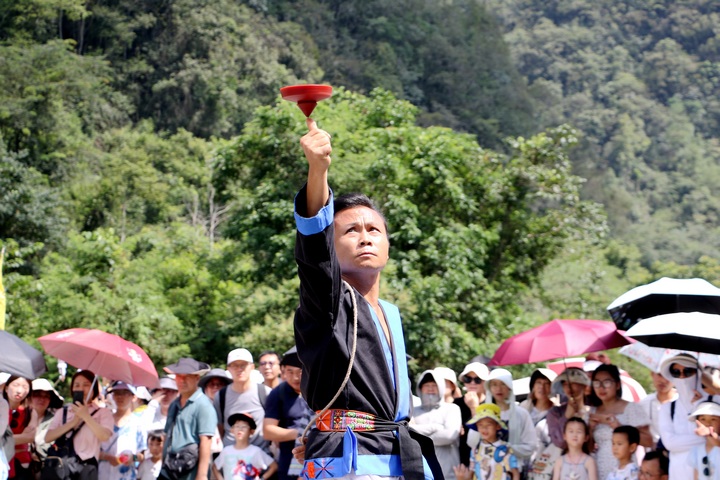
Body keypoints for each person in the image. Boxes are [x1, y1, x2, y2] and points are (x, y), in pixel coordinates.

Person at [293, 117, 441, 480]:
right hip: (350, 462)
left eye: (374, 229)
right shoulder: (328, 302)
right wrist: (318, 171)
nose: (365, 237)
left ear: (388, 246)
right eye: (350, 230)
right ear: (332, 244)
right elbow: (314, 256)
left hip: (397, 456)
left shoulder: (389, 313)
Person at [657, 353, 719, 479]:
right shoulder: (668, 408)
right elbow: (670, 444)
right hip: (678, 473)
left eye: (688, 371)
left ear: (698, 374)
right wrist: (707, 436)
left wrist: (699, 406)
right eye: (676, 372)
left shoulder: (716, 401)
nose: (682, 376)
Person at [45, 370, 114, 480]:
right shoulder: (62, 412)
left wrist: (86, 416)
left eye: (86, 385)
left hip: (87, 468)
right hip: (63, 465)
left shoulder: (103, 413)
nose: (81, 388)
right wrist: (72, 423)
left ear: (94, 389)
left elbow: (104, 436)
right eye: (76, 385)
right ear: (72, 389)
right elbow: (48, 437)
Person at [587, 365, 650, 480]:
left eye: (606, 382)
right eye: (596, 383)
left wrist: (619, 426)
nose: (601, 387)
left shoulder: (631, 408)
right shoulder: (593, 411)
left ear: (617, 385)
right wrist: (590, 429)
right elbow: (590, 448)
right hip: (600, 468)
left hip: (625, 471)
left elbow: (649, 441)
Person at [160, 358, 217, 480]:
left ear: (197, 378)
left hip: (190, 473)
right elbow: (166, 437)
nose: (182, 380)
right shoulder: (174, 404)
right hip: (169, 470)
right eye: (179, 376)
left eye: (187, 376)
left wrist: (201, 475)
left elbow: (206, 441)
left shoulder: (204, 405)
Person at [263, 347, 313, 480]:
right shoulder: (278, 393)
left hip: (318, 459)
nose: (295, 377)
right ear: (283, 371)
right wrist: (303, 433)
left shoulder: (317, 392)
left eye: (300, 371)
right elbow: (268, 431)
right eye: (290, 372)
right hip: (289, 462)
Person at [533, 368, 591, 480]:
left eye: (574, 383)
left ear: (584, 386)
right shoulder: (555, 412)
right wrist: (566, 416)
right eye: (565, 383)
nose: (569, 387)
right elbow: (559, 441)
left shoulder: (593, 413)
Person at [410, 369, 462, 480]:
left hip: (448, 473)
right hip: (420, 472)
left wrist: (419, 437)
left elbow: (449, 436)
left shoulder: (452, 409)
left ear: (441, 387)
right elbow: (407, 434)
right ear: (420, 388)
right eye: (427, 385)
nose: (430, 389)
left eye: (434, 385)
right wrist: (435, 427)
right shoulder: (412, 411)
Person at [215, 349, 270, 450]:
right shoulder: (220, 395)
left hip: (260, 457)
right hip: (230, 458)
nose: (239, 369)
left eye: (243, 365)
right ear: (228, 368)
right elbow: (220, 426)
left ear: (252, 367)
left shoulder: (265, 392)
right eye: (234, 365)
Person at [483, 368, 537, 474]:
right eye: (494, 384)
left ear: (509, 386)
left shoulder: (521, 414)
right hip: (487, 471)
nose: (498, 388)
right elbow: (472, 441)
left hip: (513, 471)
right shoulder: (484, 413)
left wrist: (507, 448)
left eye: (503, 384)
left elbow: (530, 446)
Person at [453, 403, 519, 480]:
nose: (484, 428)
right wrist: (461, 478)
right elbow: (471, 474)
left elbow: (515, 473)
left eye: (489, 424)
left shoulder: (505, 449)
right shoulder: (475, 450)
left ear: (497, 426)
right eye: (480, 425)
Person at [98, 381, 147, 480]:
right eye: (116, 393)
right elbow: (93, 450)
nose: (120, 397)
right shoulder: (104, 421)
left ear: (133, 397)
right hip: (103, 475)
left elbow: (143, 456)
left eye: (125, 393)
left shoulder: (138, 423)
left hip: (127, 476)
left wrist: (132, 458)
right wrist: (108, 457)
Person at [212, 413, 277, 480]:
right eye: (237, 426)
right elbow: (215, 467)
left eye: (244, 427)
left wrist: (262, 478)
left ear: (251, 431)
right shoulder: (226, 451)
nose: (240, 429)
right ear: (232, 430)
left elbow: (274, 466)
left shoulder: (256, 451)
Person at [455, 363, 490, 466]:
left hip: (485, 458)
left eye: (478, 380)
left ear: (485, 382)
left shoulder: (491, 404)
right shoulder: (456, 403)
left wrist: (474, 408)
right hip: (461, 458)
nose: (472, 383)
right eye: (468, 379)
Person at [4, 375, 37, 480]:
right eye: (15, 385)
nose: (19, 390)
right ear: (6, 388)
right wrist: (21, 438)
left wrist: (6, 440)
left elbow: (30, 437)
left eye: (24, 387)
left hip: (21, 464)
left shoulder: (31, 412)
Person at [29, 378, 64, 470]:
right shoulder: (19, 417)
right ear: (29, 396)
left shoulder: (56, 420)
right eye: (37, 395)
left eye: (46, 396)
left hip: (46, 469)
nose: (42, 399)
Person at [638, 371, 676, 450]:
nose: (663, 380)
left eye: (668, 376)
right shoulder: (643, 403)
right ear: (652, 374)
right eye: (660, 375)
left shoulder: (682, 404)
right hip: (651, 455)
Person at [199, 369, 232, 457]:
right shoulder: (199, 408)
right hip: (207, 454)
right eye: (211, 384)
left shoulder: (234, 406)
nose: (215, 387)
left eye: (220, 384)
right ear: (205, 388)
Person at [687, 401, 720, 480]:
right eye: (703, 419)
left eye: (713, 419)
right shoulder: (696, 450)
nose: (708, 423)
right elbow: (696, 476)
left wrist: (710, 435)